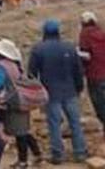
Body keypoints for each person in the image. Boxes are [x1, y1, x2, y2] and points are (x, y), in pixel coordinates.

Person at [28, 19, 88, 164]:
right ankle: (80, 153)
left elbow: (31, 74)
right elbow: (78, 71)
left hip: (50, 93)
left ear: (45, 32)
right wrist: (79, 88)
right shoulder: (69, 47)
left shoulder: (38, 49)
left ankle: (58, 155)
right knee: (75, 123)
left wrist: (37, 93)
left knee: (54, 124)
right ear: (58, 32)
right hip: (70, 91)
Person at [0, 39, 42, 167]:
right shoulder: (16, 64)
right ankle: (37, 153)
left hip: (13, 102)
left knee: (19, 132)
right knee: (24, 129)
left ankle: (23, 161)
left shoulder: (2, 66)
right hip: (23, 99)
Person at [79, 11, 105, 131]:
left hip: (94, 74)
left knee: (98, 101)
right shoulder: (101, 33)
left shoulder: (85, 34)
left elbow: (86, 54)